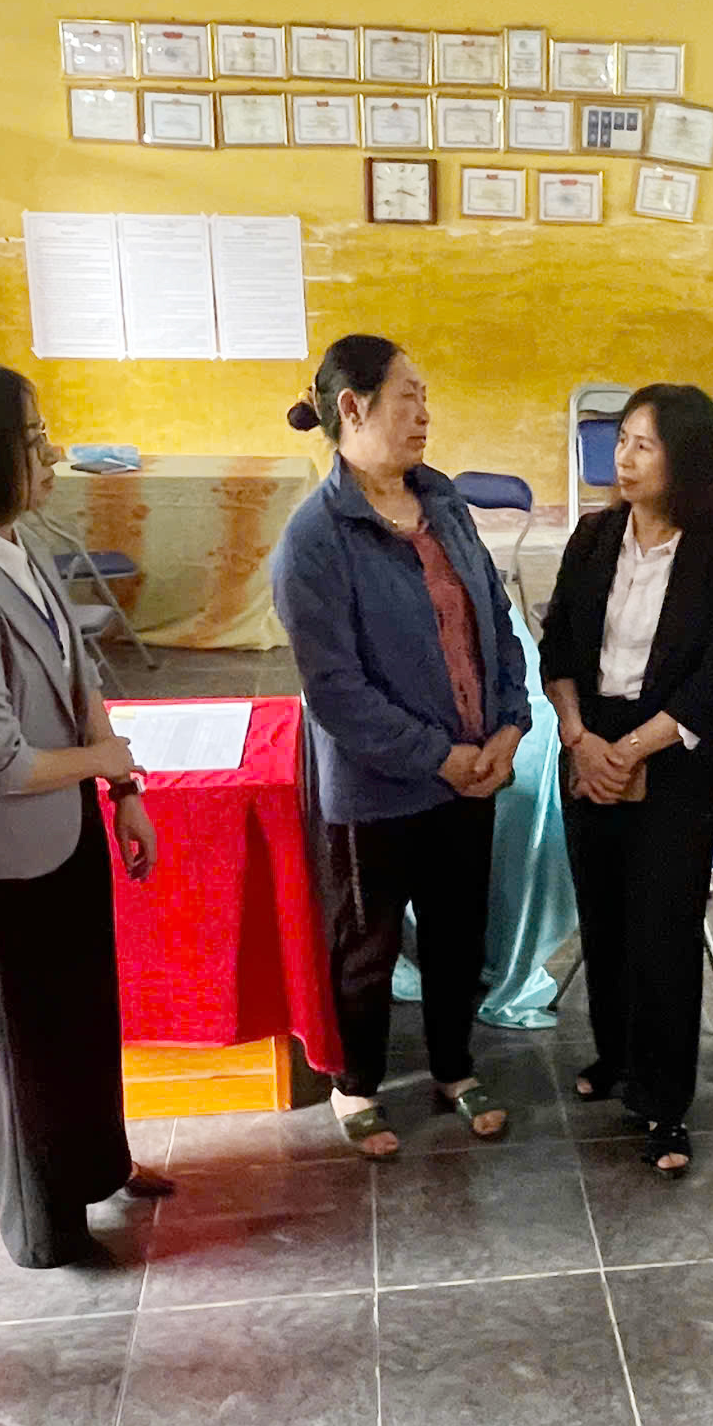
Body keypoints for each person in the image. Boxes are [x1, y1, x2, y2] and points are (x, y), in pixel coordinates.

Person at [0, 363, 172, 1269]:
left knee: (82, 1017)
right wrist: (109, 764)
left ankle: (99, 1164)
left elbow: (80, 681)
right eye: (31, 440)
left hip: (65, 823)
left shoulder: (14, 546)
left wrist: (123, 793)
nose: (48, 454)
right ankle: (45, 1229)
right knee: (20, 1054)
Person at [273, 336, 532, 1159]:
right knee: (368, 944)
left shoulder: (443, 505)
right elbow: (336, 692)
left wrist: (510, 724)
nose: (424, 414)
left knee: (459, 935)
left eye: (425, 397)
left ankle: (454, 1067)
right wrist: (441, 756)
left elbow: (497, 620)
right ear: (353, 409)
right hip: (379, 787)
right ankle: (356, 1084)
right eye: (407, 397)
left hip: (472, 772)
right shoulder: (316, 539)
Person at [542, 383, 713, 1177]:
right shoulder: (594, 537)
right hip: (589, 739)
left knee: (663, 931)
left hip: (668, 759)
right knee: (602, 915)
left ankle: (666, 1104)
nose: (623, 458)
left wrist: (629, 750)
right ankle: (617, 1056)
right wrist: (579, 739)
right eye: (621, 439)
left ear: (685, 460)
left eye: (643, 445)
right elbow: (558, 648)